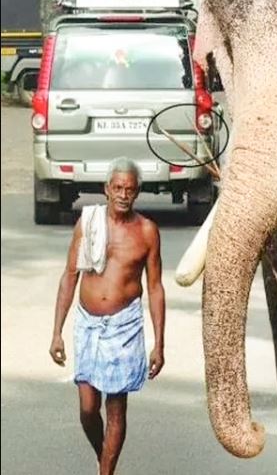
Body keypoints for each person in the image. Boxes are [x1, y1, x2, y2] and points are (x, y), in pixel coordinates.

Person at [49, 157, 166, 475]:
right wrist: (57, 331)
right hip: (88, 323)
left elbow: (155, 288)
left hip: (124, 326)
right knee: (88, 408)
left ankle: (106, 471)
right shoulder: (88, 223)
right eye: (117, 188)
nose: (123, 194)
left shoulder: (147, 231)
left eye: (129, 189)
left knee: (115, 408)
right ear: (106, 189)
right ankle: (104, 457)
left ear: (137, 191)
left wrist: (159, 343)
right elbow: (69, 276)